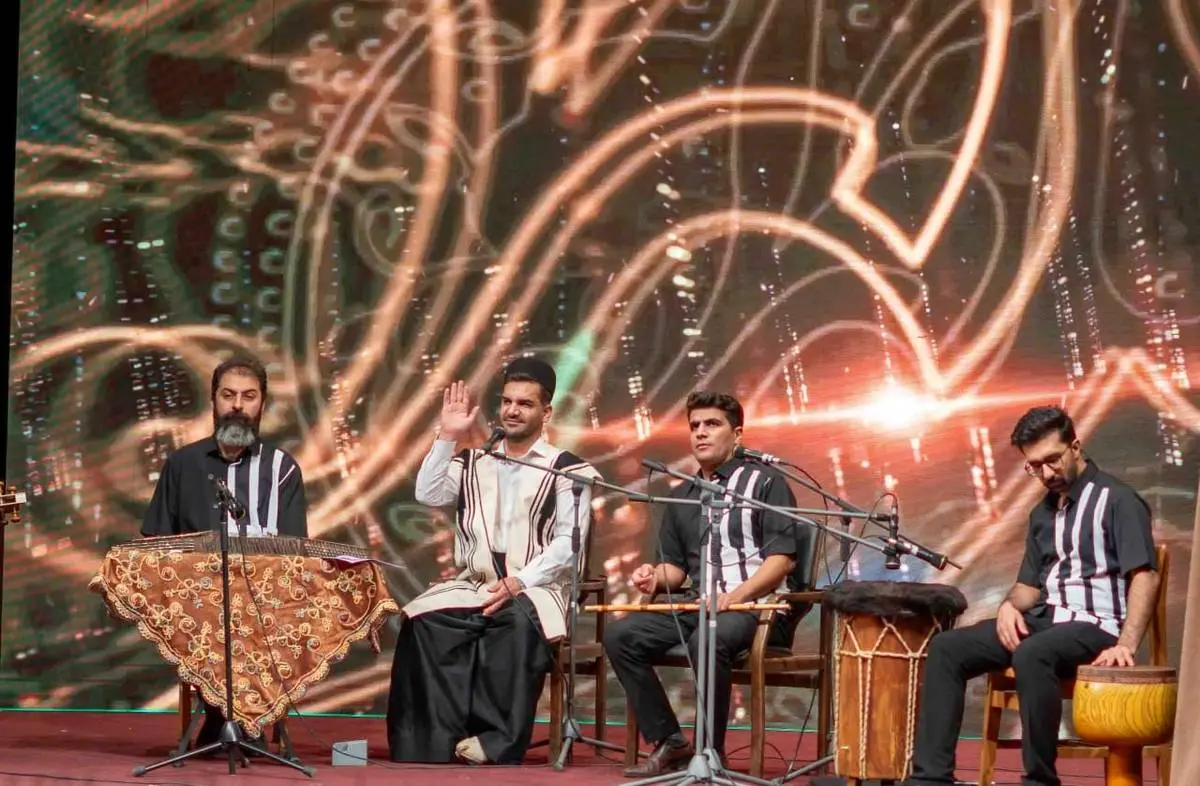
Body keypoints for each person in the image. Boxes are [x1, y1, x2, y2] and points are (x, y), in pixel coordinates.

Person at [903, 405, 1160, 786]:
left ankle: (1040, 780)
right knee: (947, 648)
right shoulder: (1042, 514)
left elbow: (1145, 575)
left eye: (1053, 460)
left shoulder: (1118, 500)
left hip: (1097, 627)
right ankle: (930, 780)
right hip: (1047, 621)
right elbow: (1028, 587)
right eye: (1035, 466)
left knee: (1032, 653)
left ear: (1076, 447)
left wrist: (1126, 643)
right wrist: (1008, 606)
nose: (1047, 473)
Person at [387, 357, 600, 765]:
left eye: (525, 403)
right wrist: (447, 436)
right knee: (423, 620)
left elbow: (568, 544)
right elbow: (428, 494)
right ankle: (430, 742)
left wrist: (520, 580)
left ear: (546, 412)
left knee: (516, 621)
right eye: (507, 401)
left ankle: (496, 741)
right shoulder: (474, 460)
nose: (512, 411)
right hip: (478, 583)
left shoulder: (568, 469)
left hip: (537, 586)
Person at [603, 391, 804, 777]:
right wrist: (653, 576)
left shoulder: (766, 483)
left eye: (712, 424)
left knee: (707, 638)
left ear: (737, 434)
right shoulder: (684, 494)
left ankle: (710, 751)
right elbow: (675, 569)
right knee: (621, 636)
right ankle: (670, 740)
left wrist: (734, 596)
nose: (700, 432)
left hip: (755, 607)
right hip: (700, 605)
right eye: (694, 425)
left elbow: (782, 560)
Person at [141, 355, 309, 749]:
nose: (237, 405)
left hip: (266, 601)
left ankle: (238, 720)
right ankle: (230, 720)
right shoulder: (181, 464)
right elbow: (157, 544)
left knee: (259, 613)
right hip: (194, 601)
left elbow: (293, 550)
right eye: (228, 395)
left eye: (249, 396)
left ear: (262, 404)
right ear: (213, 401)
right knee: (208, 613)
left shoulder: (282, 468)